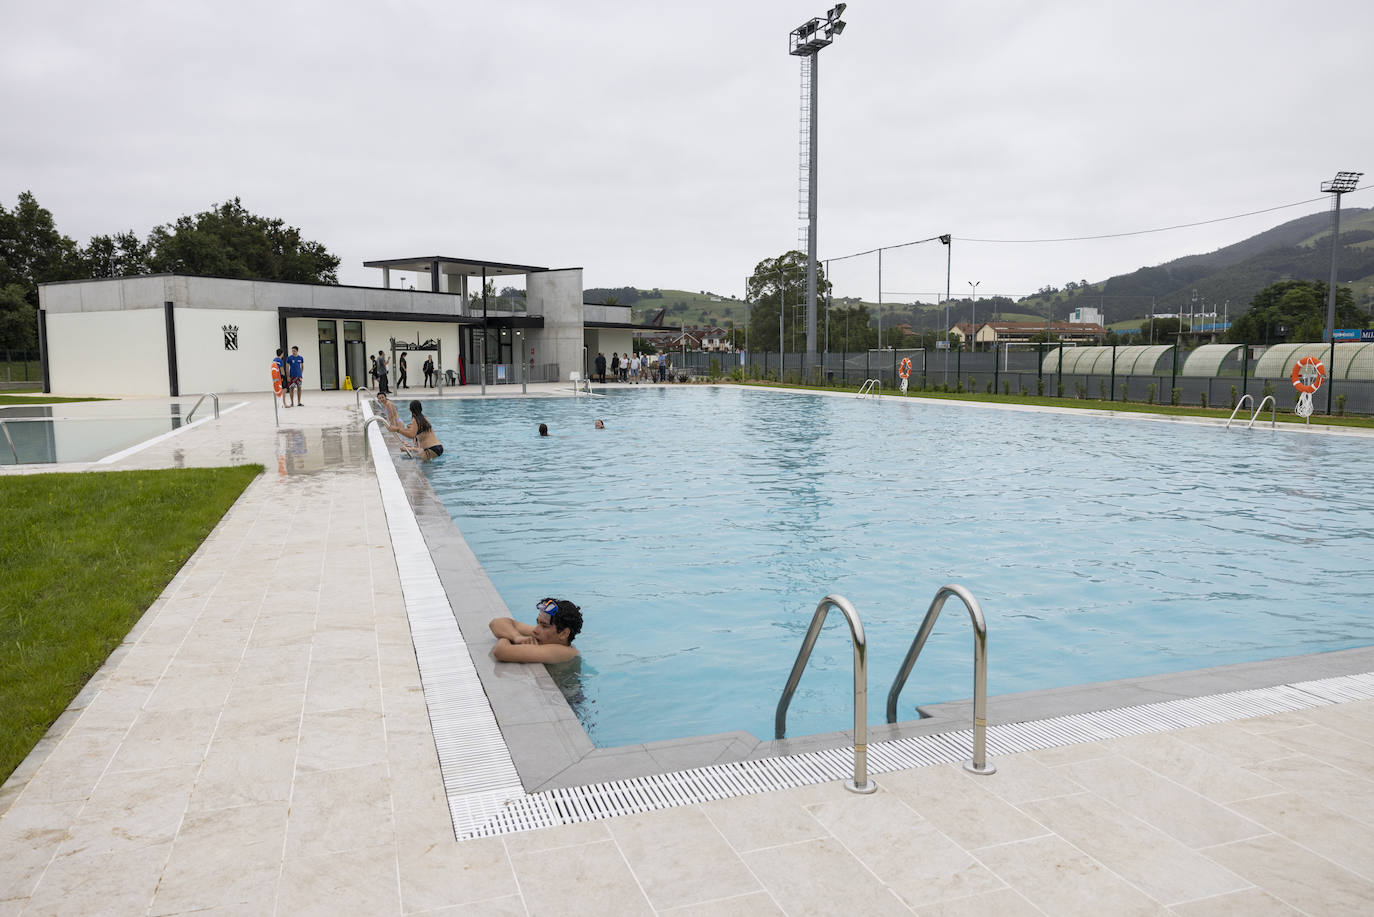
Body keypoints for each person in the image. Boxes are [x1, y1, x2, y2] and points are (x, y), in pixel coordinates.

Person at [489, 598, 582, 663]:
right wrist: (517, 637)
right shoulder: (546, 635)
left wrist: (507, 637)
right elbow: (496, 623)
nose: (535, 630)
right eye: (538, 623)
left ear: (564, 633)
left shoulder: (564, 652)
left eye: (544, 626)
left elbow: (501, 652)